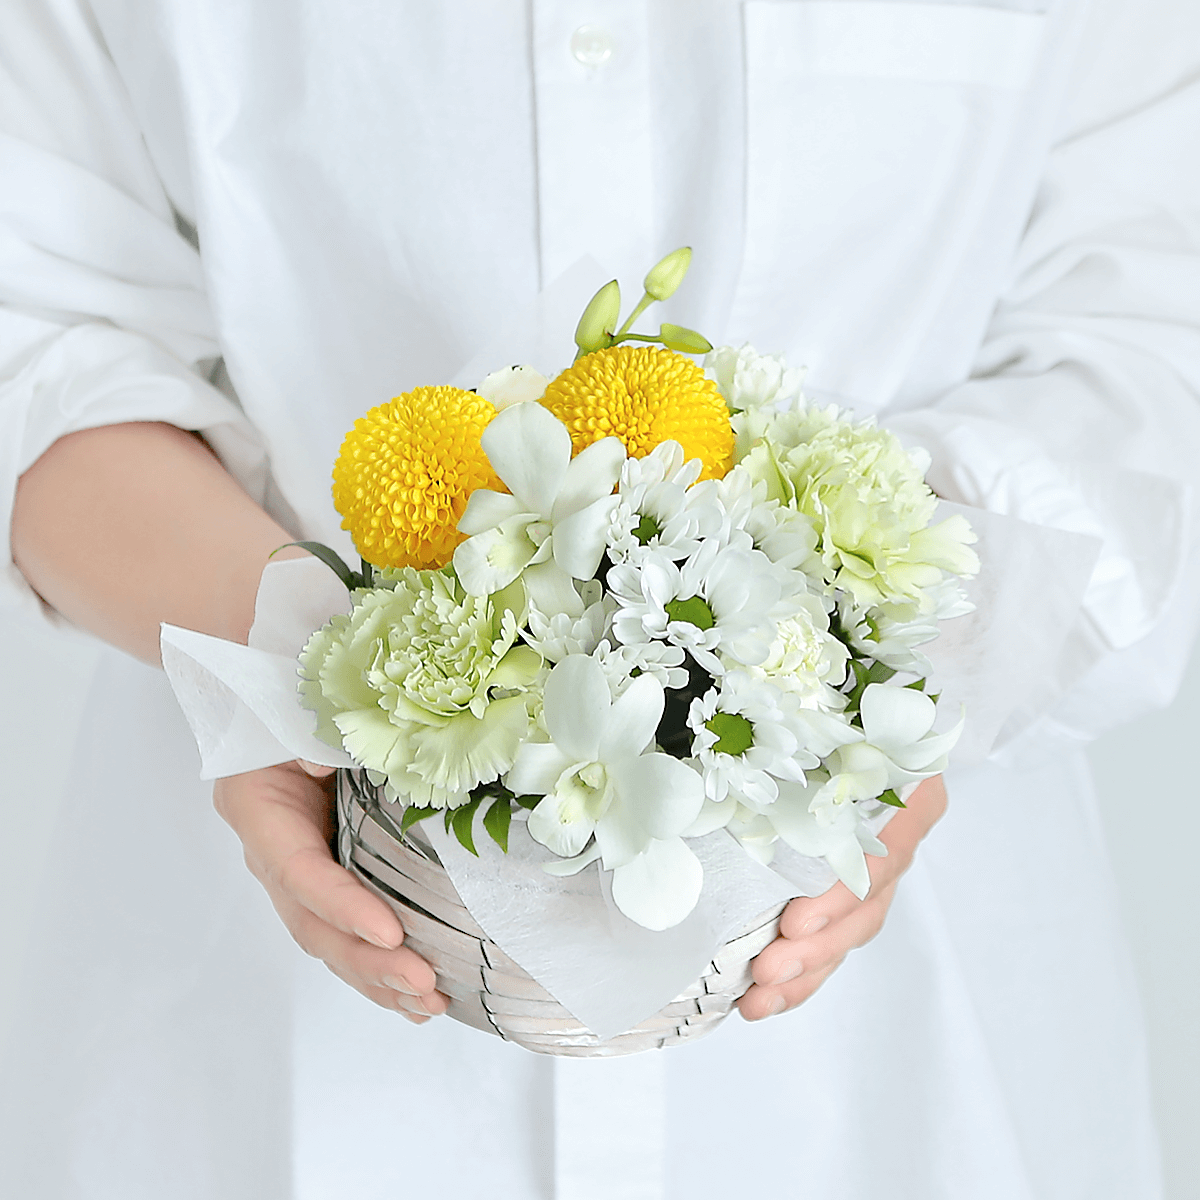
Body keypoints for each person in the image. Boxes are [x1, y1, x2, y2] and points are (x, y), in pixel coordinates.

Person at [2, 0, 1198, 1196]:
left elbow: (1151, 344)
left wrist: (875, 677)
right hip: (243, 1047)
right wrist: (299, 659)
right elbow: (39, 334)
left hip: (910, 1069)